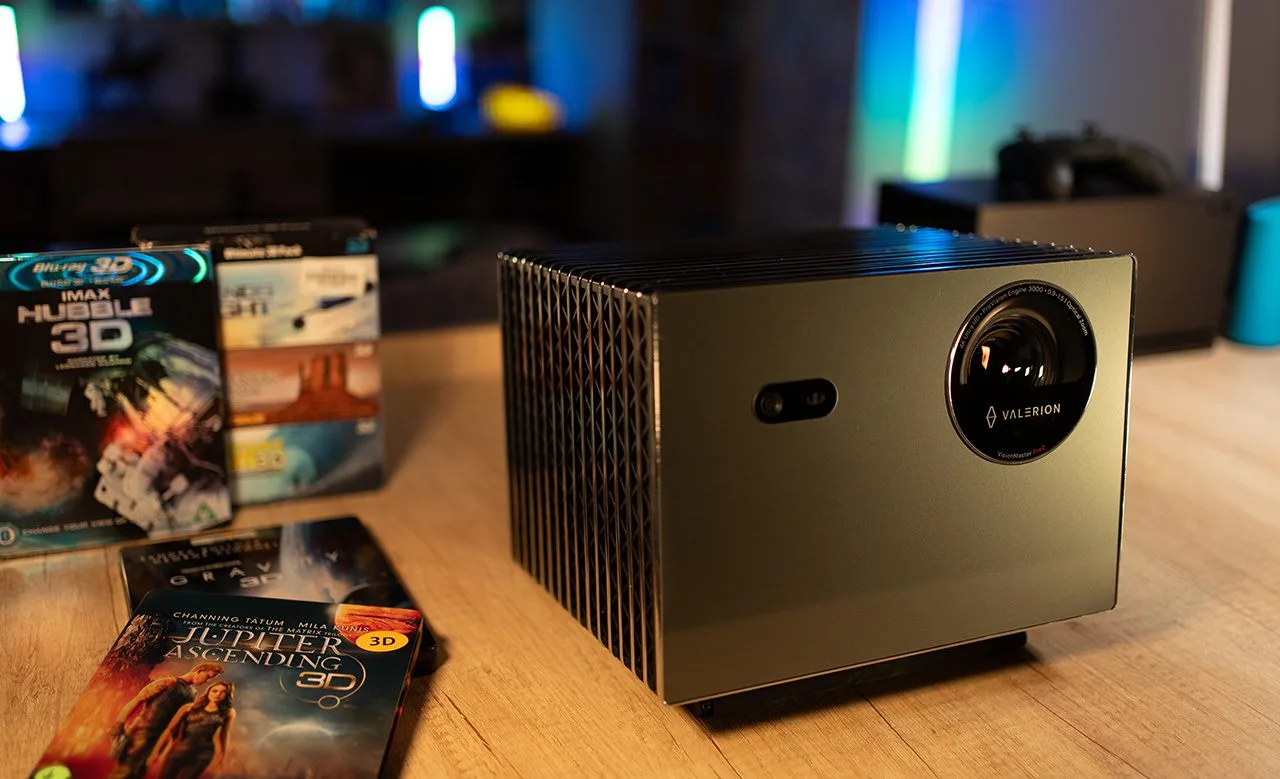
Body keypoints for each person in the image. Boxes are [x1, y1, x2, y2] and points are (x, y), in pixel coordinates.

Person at [107, 662, 224, 779]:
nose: (208, 680)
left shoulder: (193, 694)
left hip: (160, 741)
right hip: (143, 734)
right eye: (208, 676)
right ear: (199, 671)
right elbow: (138, 700)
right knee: (126, 771)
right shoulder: (169, 682)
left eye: (211, 678)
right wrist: (119, 724)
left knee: (139, 773)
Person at [153, 681, 236, 779]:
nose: (218, 694)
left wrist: (223, 755)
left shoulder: (228, 712)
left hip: (203, 754)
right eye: (215, 691)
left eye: (223, 692)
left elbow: (224, 733)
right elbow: (169, 730)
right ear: (208, 692)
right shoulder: (188, 708)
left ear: (227, 695)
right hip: (179, 750)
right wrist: (156, 751)